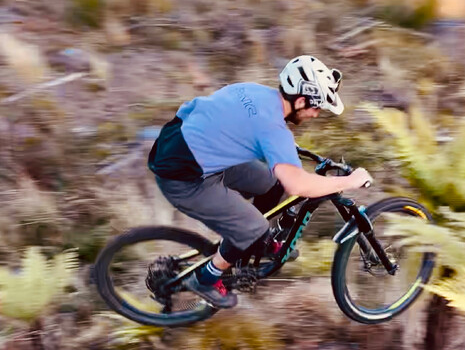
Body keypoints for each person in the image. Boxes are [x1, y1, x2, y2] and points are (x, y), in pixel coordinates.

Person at [147, 55, 372, 309]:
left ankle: (251, 242)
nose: (316, 115)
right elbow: (298, 186)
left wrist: (284, 149)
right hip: (183, 177)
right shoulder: (273, 130)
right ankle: (207, 278)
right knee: (253, 227)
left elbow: (234, 123)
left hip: (184, 145)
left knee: (270, 183)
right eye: (316, 107)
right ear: (300, 101)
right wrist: (350, 181)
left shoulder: (253, 92)